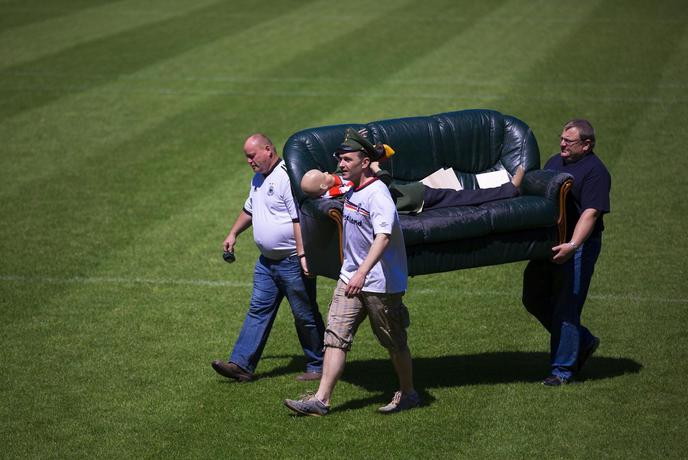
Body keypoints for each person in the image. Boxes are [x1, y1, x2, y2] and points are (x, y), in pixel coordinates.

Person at [283, 128, 420, 416]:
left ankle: (408, 393)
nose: (341, 165)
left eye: (346, 160)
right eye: (340, 159)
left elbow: (383, 236)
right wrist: (352, 273)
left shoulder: (378, 195)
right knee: (335, 337)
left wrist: (362, 273)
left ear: (364, 162)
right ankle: (321, 400)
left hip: (380, 283)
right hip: (350, 277)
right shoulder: (352, 188)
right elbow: (311, 185)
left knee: (394, 342)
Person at [211, 133, 325, 382]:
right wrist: (233, 233)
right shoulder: (258, 179)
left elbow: (298, 219)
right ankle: (241, 365)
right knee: (258, 310)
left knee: (304, 315)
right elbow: (249, 209)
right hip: (267, 263)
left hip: (292, 260)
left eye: (252, 156)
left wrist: (303, 254)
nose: (249, 161)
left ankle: (320, 365)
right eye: (246, 157)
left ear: (268, 150)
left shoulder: (286, 176)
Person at [521, 119, 611, 386]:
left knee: (566, 305)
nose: (561, 144)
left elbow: (591, 213)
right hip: (549, 242)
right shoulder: (553, 163)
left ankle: (562, 371)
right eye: (561, 138)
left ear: (586, 145)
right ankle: (582, 341)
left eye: (568, 141)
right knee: (533, 297)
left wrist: (572, 245)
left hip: (578, 245)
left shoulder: (596, 172)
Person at [300, 162, 524, 213]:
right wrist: (377, 168)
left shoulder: (338, 185)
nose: (330, 172)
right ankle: (509, 190)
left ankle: (506, 189)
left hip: (411, 193)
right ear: (322, 185)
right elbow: (382, 185)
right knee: (465, 197)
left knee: (462, 195)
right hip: (415, 197)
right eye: (325, 175)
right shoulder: (341, 196)